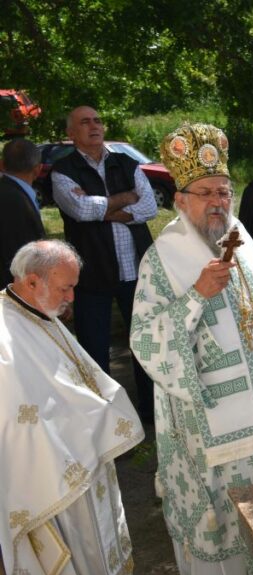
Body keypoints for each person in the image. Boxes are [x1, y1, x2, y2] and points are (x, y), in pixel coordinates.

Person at [130, 122, 253, 575]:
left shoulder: (241, 241)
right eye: (205, 193)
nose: (218, 202)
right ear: (180, 199)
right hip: (207, 425)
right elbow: (146, 338)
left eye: (224, 192)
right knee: (220, 516)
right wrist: (198, 294)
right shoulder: (165, 257)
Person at [0, 240, 143, 575]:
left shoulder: (39, 313)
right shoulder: (4, 337)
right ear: (31, 281)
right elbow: (18, 420)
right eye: (65, 289)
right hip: (52, 487)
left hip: (85, 464)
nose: (72, 298)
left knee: (105, 562)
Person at [51, 105, 157, 421]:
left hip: (136, 271)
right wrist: (125, 199)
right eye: (85, 122)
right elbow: (80, 210)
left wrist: (102, 210)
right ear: (71, 133)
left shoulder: (128, 163)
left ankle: (151, 416)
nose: (94, 126)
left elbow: (149, 208)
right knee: (95, 353)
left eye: (97, 120)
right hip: (91, 275)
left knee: (145, 347)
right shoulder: (63, 170)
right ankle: (108, 423)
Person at [0, 138, 45, 287]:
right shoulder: (14, 200)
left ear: (2, 165)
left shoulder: (10, 192)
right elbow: (22, 254)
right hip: (13, 290)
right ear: (38, 169)